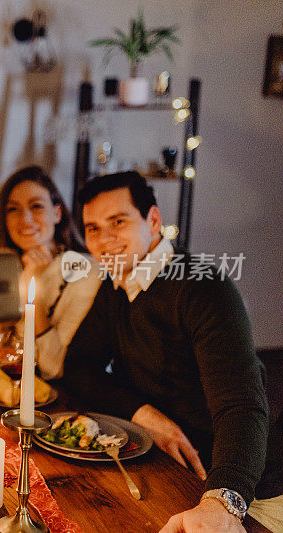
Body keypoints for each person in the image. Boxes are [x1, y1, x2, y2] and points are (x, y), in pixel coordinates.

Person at [63, 171, 281, 532]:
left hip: (243, 480)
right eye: (93, 228)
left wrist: (223, 500)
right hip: (162, 461)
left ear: (153, 220)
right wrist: (144, 414)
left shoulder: (204, 287)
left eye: (118, 221)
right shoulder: (118, 281)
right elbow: (77, 368)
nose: (104, 241)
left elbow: (242, 406)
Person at [0, 166, 101, 378]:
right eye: (13, 209)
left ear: (57, 213)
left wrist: (32, 287)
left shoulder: (86, 272)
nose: (25, 219)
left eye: (36, 206)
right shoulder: (7, 267)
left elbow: (54, 368)